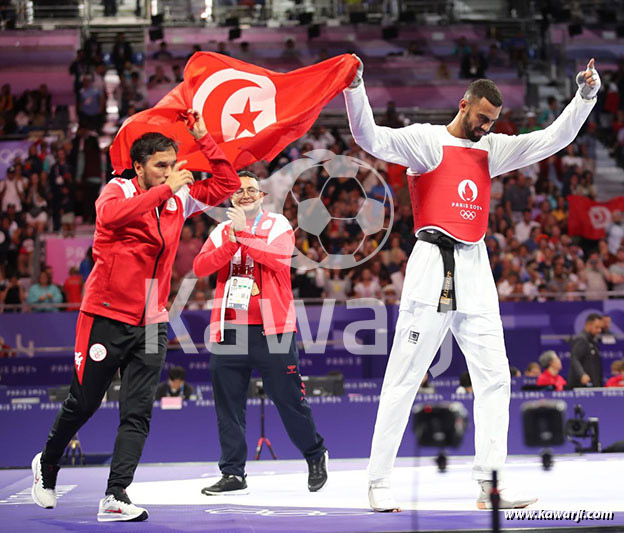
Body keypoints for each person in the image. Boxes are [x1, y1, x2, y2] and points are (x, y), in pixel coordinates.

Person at [344, 56, 600, 511]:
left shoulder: (492, 149)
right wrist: (355, 87)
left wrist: (584, 97)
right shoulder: (426, 141)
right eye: (482, 118)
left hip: (476, 267)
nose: (487, 127)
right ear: (463, 105)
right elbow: (370, 138)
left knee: (495, 377)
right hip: (431, 263)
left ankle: (490, 484)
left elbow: (549, 140)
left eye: (493, 121)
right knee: (404, 378)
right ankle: (378, 480)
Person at [30, 109, 239, 522]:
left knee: (138, 411)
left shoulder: (179, 195)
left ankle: (115, 495)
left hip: (151, 320)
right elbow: (110, 218)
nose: (169, 172)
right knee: (84, 403)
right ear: (139, 166)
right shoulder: (117, 190)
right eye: (160, 166)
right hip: (106, 315)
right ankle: (48, 464)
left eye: (172, 165)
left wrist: (204, 137)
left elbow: (228, 185)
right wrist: (166, 191)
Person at [193, 171, 328, 496]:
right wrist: (232, 240)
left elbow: (280, 259)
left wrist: (245, 236)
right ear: (230, 197)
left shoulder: (278, 224)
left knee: (289, 400)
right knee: (229, 406)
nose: (245, 194)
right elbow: (200, 268)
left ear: (262, 195)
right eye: (239, 191)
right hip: (229, 330)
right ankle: (233, 473)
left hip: (274, 331)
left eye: (251, 189)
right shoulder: (222, 230)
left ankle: (314, 454)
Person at [568, 313, 604, 388]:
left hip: (593, 386)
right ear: (588, 325)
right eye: (597, 327)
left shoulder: (592, 341)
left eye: (600, 328)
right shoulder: (581, 340)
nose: (599, 330)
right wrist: (582, 374)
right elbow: (574, 358)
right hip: (583, 387)